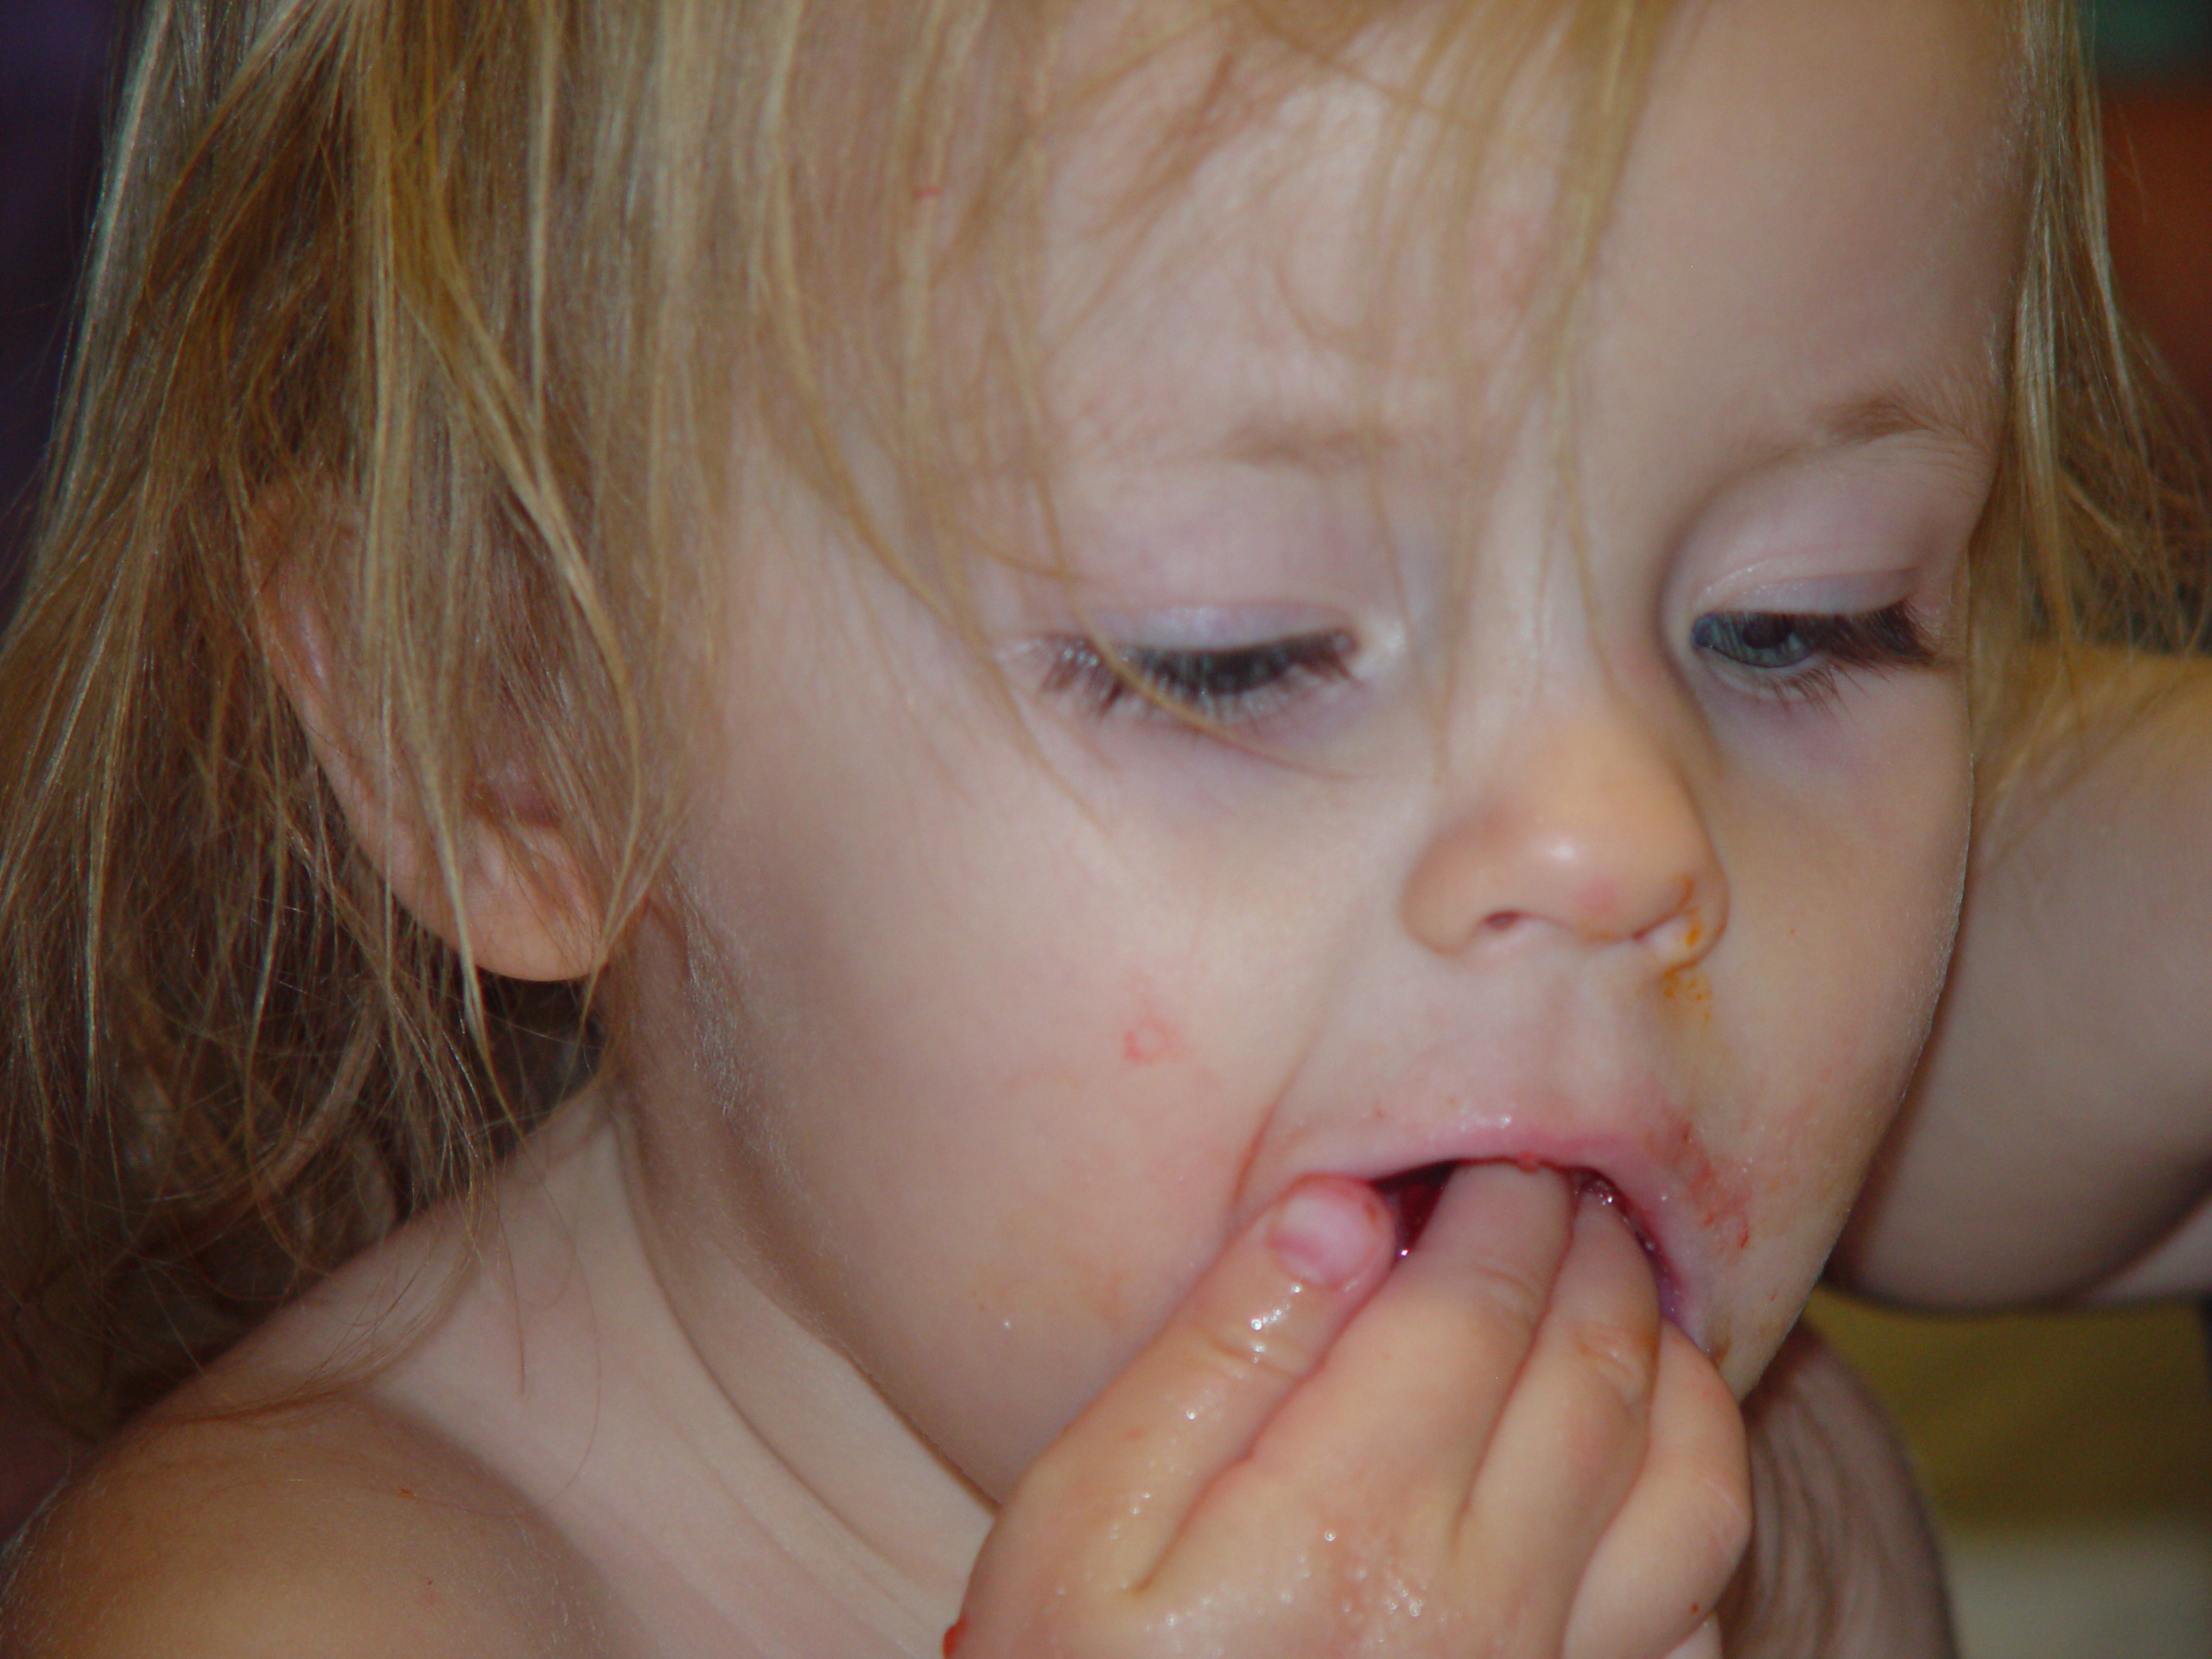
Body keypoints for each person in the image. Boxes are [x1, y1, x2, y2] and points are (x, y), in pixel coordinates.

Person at [0, 0, 2178, 1654]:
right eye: (1226, 654)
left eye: (1797, 626)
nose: (1625, 838)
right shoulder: (312, 1600)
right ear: (520, 734)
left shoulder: (1724, 1377)